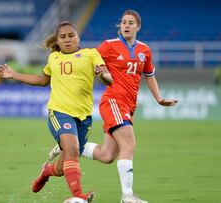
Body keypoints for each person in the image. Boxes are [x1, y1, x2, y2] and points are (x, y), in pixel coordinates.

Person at [49, 10, 178, 203]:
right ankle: (128, 196)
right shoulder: (109, 46)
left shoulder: (145, 50)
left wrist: (159, 99)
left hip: (128, 105)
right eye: (123, 22)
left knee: (107, 155)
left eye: (130, 23)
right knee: (129, 144)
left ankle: (69, 146)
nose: (126, 25)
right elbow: (85, 59)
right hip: (113, 101)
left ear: (138, 27)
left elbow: (149, 76)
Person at [0, 21, 112, 202]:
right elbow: (42, 80)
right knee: (73, 149)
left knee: (68, 160)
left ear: (78, 37)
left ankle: (47, 171)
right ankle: (78, 196)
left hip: (84, 117)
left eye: (71, 36)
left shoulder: (91, 54)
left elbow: (109, 80)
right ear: (57, 41)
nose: (67, 40)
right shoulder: (54, 58)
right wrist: (14, 75)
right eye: (63, 37)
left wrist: (102, 75)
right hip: (59, 112)